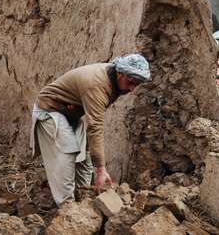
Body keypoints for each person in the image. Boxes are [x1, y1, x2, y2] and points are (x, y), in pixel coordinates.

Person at [29, 54, 150, 205]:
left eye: (137, 84)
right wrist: (101, 168)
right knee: (66, 156)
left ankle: (85, 198)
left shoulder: (115, 81)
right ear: (120, 73)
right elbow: (95, 126)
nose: (132, 89)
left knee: (83, 159)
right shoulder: (97, 85)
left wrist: (96, 162)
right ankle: (67, 208)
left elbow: (92, 122)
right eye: (131, 82)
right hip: (51, 111)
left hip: (71, 113)